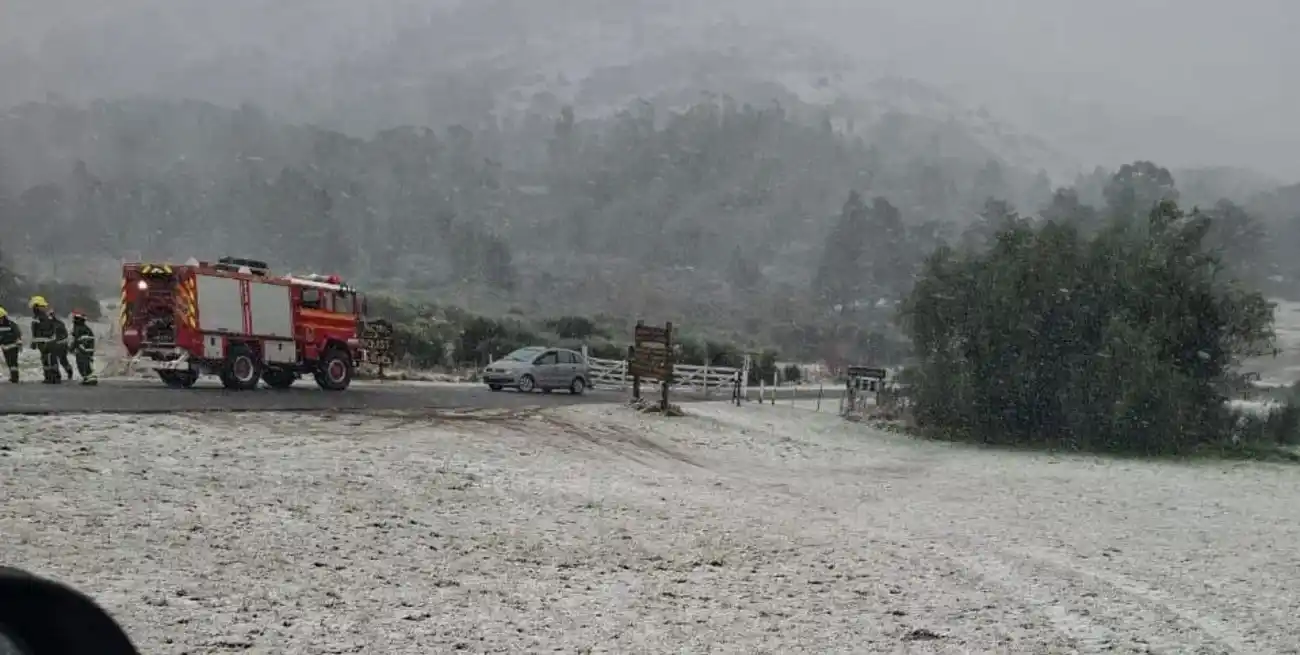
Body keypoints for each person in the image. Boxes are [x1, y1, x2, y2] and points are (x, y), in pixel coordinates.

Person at [29, 296, 60, 384]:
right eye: (43, 306)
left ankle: (50, 377)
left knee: (46, 359)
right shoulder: (47, 317)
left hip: (43, 342)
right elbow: (53, 328)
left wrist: (33, 343)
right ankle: (55, 377)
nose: (44, 308)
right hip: (50, 341)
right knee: (51, 359)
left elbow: (34, 331)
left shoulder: (37, 318)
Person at [69, 310, 97, 386]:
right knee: (87, 364)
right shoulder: (87, 329)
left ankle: (88, 378)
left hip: (82, 350)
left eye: (75, 318)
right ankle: (90, 378)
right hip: (88, 350)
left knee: (82, 364)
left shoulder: (78, 328)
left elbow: (76, 340)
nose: (73, 320)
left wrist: (71, 349)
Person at [50, 309, 73, 381]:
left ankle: (57, 375)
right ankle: (69, 372)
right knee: (63, 360)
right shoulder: (60, 323)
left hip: (55, 345)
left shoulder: (49, 324)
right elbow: (65, 334)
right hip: (63, 344)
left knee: (53, 360)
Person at [0, 307, 20, 383]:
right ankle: (13, 376)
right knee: (9, 362)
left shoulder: (11, 324)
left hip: (13, 345)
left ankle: (15, 377)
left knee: (13, 362)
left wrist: (18, 340)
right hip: (5, 347)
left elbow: (17, 333)